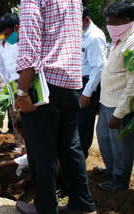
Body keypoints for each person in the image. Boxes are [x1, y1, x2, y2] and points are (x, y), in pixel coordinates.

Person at [14, 1, 96, 214]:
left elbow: (30, 43)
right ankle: (83, 205)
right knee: (70, 147)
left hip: (45, 83)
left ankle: (45, 207)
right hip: (71, 83)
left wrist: (22, 92)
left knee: (42, 150)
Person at [96, 0, 134, 191]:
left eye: (113, 22)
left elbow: (132, 82)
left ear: (127, 20)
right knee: (103, 137)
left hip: (119, 104)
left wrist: (120, 112)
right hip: (106, 101)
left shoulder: (132, 41)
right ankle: (113, 171)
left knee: (121, 145)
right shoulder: (119, 37)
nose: (109, 26)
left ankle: (120, 180)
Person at [78, 7, 107, 159]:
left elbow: (98, 67)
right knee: (77, 124)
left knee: (84, 125)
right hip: (79, 83)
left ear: (86, 19)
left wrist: (86, 93)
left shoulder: (94, 37)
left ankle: (81, 158)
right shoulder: (81, 33)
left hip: (88, 85)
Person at [0, 13, 24, 147]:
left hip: (25, 81)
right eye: (3, 35)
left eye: (7, 34)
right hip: (12, 83)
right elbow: (2, 67)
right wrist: (8, 84)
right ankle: (19, 145)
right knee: (15, 115)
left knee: (28, 115)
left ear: (17, 28)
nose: (6, 38)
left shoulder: (24, 42)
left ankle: (29, 146)